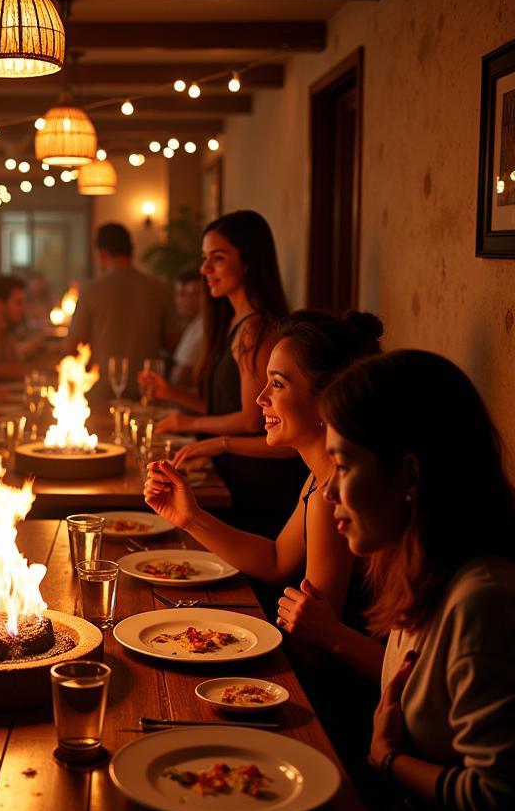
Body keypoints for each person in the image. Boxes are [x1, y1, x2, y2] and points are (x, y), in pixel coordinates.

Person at [287, 350, 515, 811]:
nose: (330, 492)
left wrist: (390, 761)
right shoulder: (419, 571)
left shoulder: (486, 601)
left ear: (408, 475)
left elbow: (506, 808)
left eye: (343, 466)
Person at [145, 310, 384, 626]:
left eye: (277, 384)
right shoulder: (320, 474)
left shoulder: (333, 495)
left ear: (328, 399)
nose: (260, 398)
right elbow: (277, 560)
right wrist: (191, 518)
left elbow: (318, 646)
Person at [145, 210, 307, 536]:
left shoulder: (257, 328)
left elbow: (250, 419)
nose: (205, 269)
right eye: (205, 258)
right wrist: (171, 394)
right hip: (232, 475)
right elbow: (226, 406)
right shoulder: (234, 322)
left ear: (248, 262)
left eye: (217, 259)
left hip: (257, 483)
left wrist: (201, 433)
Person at [66, 223, 175, 400]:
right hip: (147, 390)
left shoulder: (91, 291)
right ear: (132, 251)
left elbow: (72, 345)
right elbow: (173, 343)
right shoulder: (159, 289)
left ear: (101, 254)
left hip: (100, 390)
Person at [0, 275, 46, 380]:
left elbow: (14, 362)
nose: (23, 308)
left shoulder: (7, 329)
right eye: (18, 303)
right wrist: (38, 369)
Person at [168, 268, 204, 388]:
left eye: (185, 294)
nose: (178, 300)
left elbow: (181, 375)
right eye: (178, 294)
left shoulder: (203, 326)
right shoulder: (195, 323)